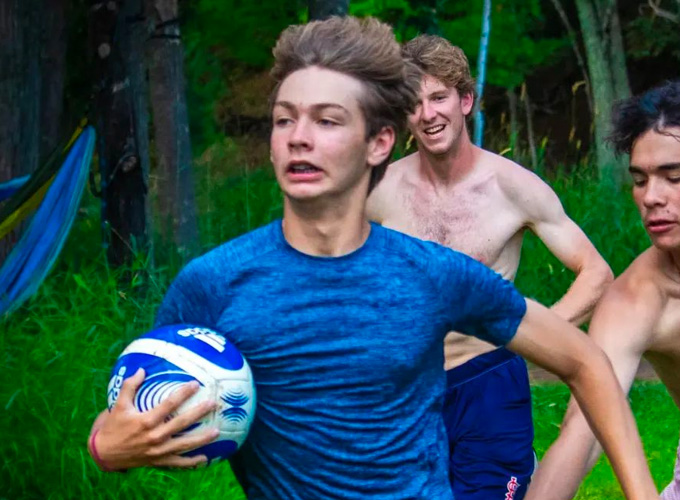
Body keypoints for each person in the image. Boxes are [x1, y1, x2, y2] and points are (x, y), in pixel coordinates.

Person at [87, 16, 657, 500]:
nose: (298, 137)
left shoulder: (435, 273)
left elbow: (586, 363)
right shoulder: (212, 285)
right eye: (285, 119)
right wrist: (107, 445)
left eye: (328, 120)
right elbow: (135, 406)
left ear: (378, 142)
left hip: (479, 393)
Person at [367, 34, 614, 499]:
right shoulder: (379, 190)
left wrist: (536, 333)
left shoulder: (513, 187)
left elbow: (596, 273)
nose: (428, 114)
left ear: (466, 100)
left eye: (439, 97)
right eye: (415, 103)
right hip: (407, 388)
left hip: (488, 381)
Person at [526, 80, 680, 500]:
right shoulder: (639, 299)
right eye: (639, 179)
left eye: (674, 177)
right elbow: (587, 425)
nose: (652, 197)